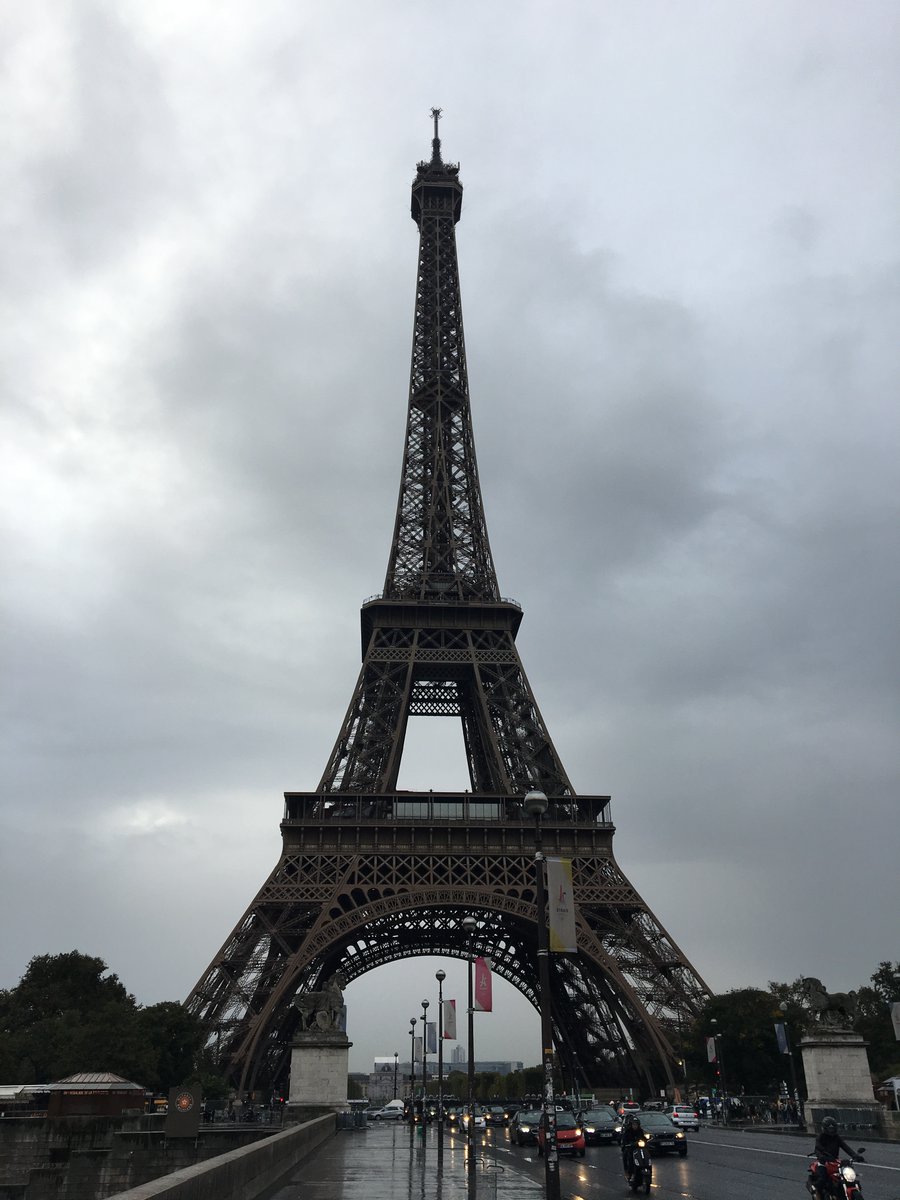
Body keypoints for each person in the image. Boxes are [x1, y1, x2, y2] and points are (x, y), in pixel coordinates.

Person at [812, 1116, 860, 1197]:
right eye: (830, 1128)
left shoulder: (836, 1137)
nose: (832, 1130)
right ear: (825, 1128)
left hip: (835, 1161)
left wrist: (855, 1155)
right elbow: (817, 1149)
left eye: (833, 1128)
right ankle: (816, 1191)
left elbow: (845, 1147)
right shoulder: (821, 1137)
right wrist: (821, 1157)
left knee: (849, 1177)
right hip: (824, 1162)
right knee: (823, 1179)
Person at [621, 1113, 645, 1179]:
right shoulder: (627, 1131)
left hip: (639, 1147)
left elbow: (643, 1138)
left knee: (646, 1153)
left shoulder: (640, 1131)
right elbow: (624, 1140)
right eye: (633, 1124)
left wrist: (645, 1142)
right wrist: (627, 1145)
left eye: (636, 1124)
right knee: (627, 1156)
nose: (635, 1126)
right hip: (630, 1148)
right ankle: (628, 1172)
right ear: (631, 1125)